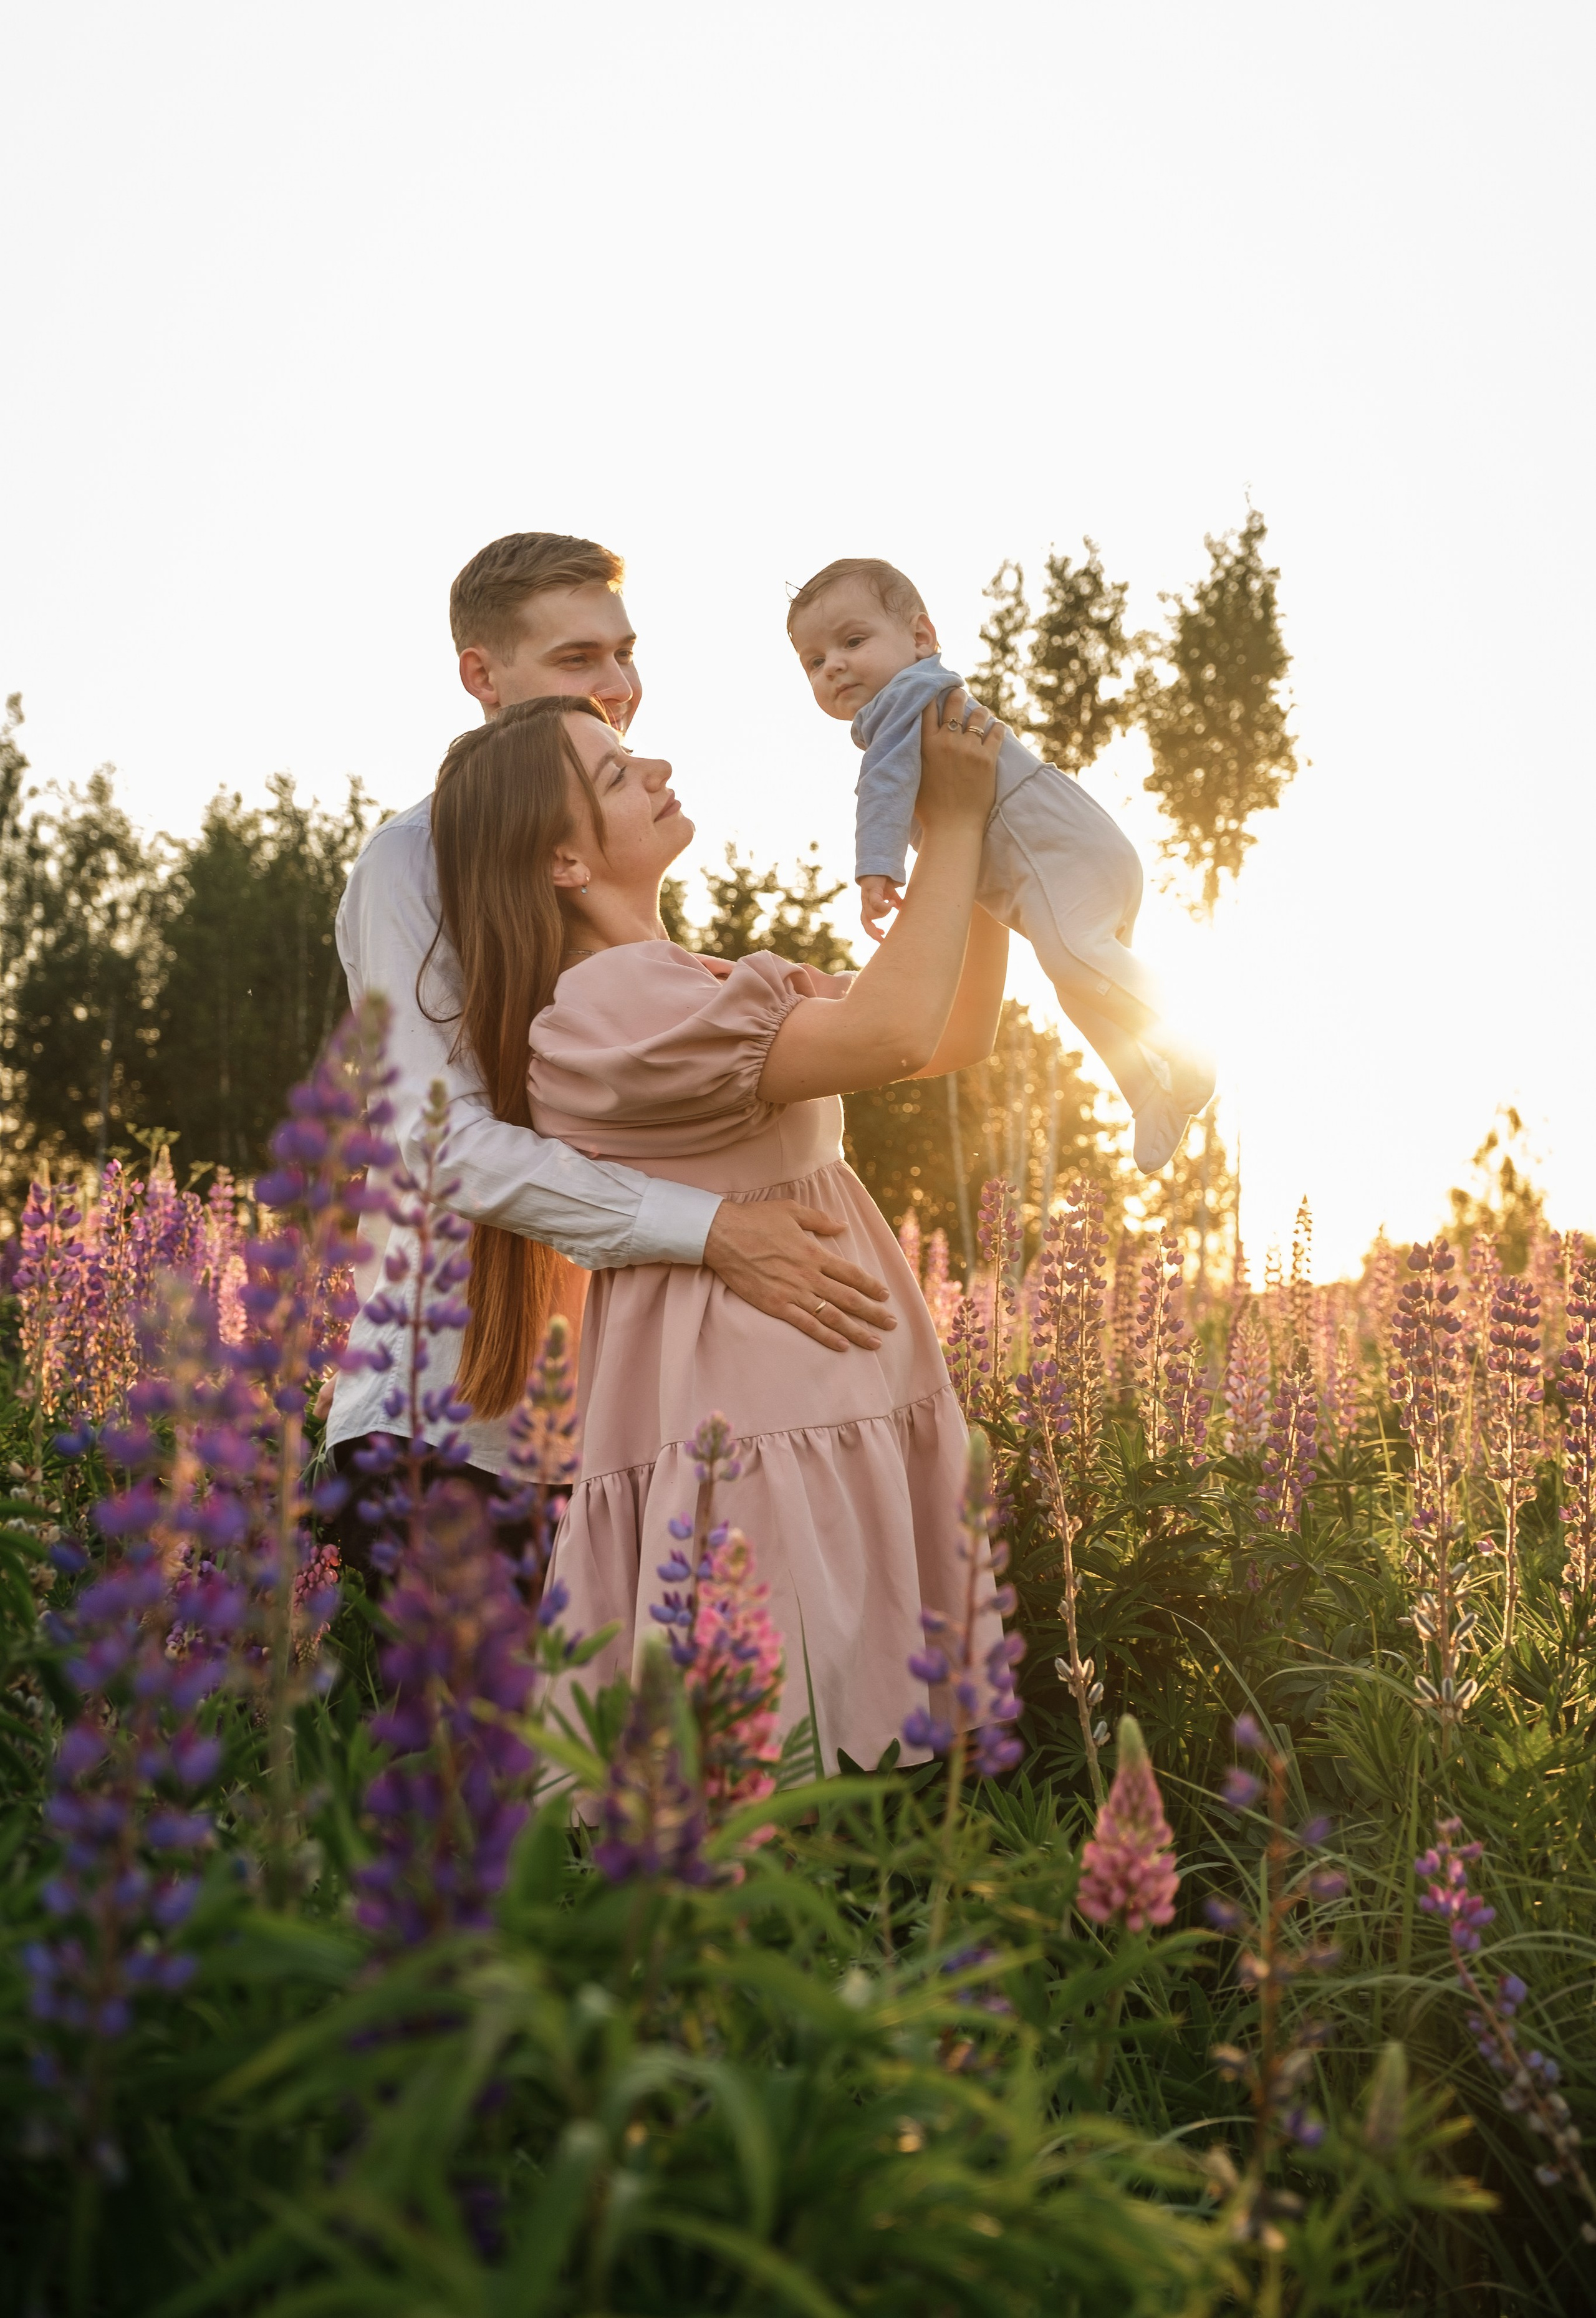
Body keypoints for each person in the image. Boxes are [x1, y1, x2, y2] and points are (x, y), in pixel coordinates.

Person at [427, 686, 1009, 1770]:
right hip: (756, 1423)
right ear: (563, 863)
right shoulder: (611, 1009)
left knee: (823, 1795)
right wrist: (964, 825)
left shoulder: (682, 983)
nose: (651, 773)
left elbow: (948, 1032)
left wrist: (972, 850)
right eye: (613, 773)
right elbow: (890, 1033)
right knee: (771, 1788)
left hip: (827, 1392)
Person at [325, 533, 896, 1489]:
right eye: (578, 660)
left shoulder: (614, 856)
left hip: (612, 1432)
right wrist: (707, 1227)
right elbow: (438, 1141)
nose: (620, 686)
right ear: (483, 672)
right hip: (452, 1438)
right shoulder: (413, 861)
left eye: (625, 653)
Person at [787, 555, 1216, 1174]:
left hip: (1055, 850)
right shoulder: (910, 708)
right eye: (814, 661)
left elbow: (882, 790)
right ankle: (1149, 1093)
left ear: (920, 638)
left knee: (1073, 961)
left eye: (853, 642)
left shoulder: (907, 700)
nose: (835, 666)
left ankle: (1183, 1040)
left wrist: (876, 867)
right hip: (1065, 858)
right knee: (1080, 988)